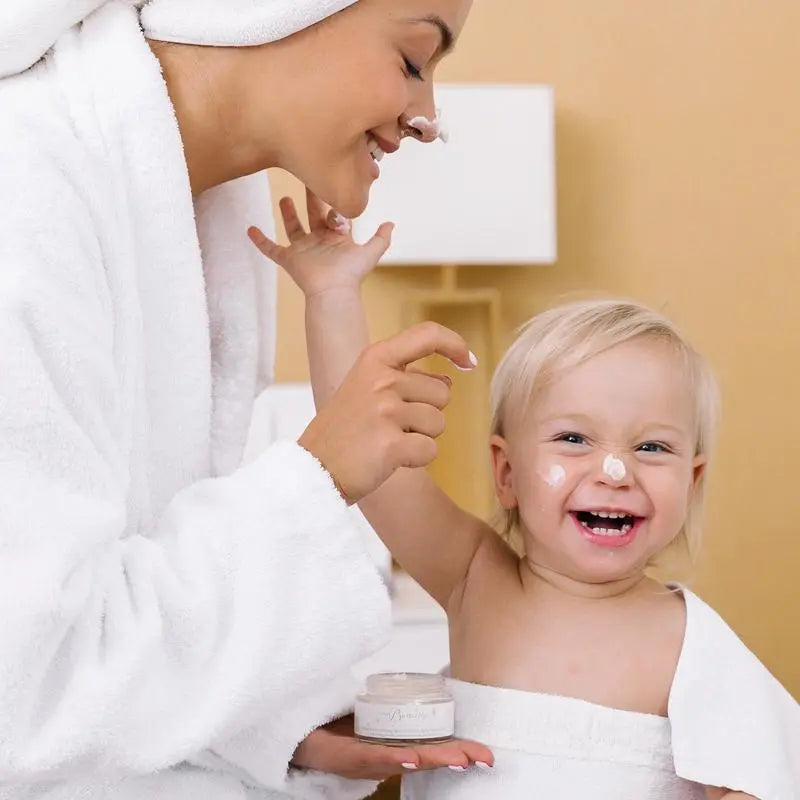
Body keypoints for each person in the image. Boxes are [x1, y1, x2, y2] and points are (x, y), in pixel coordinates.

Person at [0, 1, 494, 798]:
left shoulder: (198, 215)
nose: (427, 115)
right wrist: (318, 472)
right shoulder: (21, 194)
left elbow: (120, 585)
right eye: (412, 60)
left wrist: (264, 727)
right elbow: (23, 689)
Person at [250, 190, 800, 800]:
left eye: (651, 448)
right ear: (506, 473)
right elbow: (374, 452)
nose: (615, 471)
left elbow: (753, 783)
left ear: (692, 483)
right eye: (573, 438)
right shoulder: (475, 580)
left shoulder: (690, 643)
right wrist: (331, 296)